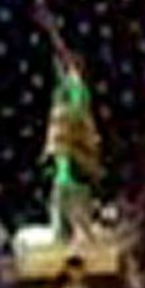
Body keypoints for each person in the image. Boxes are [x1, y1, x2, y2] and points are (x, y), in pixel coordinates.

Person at [39, 15, 102, 243]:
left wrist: (52, 30)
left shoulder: (76, 89)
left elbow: (63, 56)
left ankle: (79, 231)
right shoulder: (62, 92)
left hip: (75, 155)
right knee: (61, 196)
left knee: (74, 201)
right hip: (65, 160)